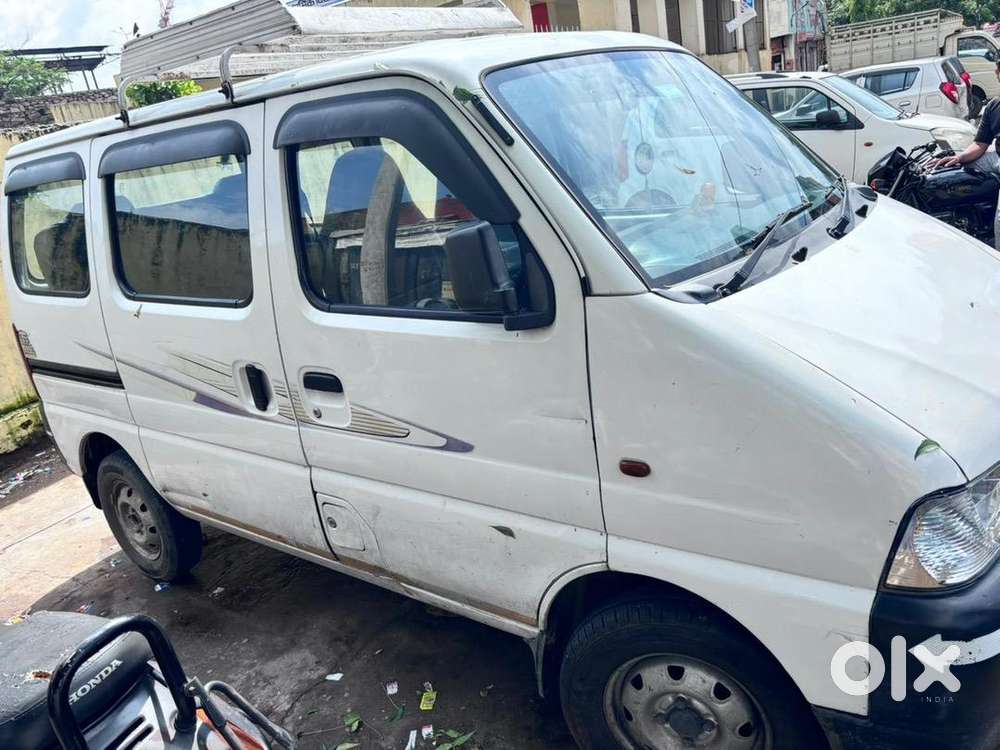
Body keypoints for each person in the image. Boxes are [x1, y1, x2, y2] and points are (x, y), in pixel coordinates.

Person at [930, 64, 1000, 248]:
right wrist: (959, 158)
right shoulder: (994, 106)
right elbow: (980, 144)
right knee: (955, 172)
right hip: (996, 157)